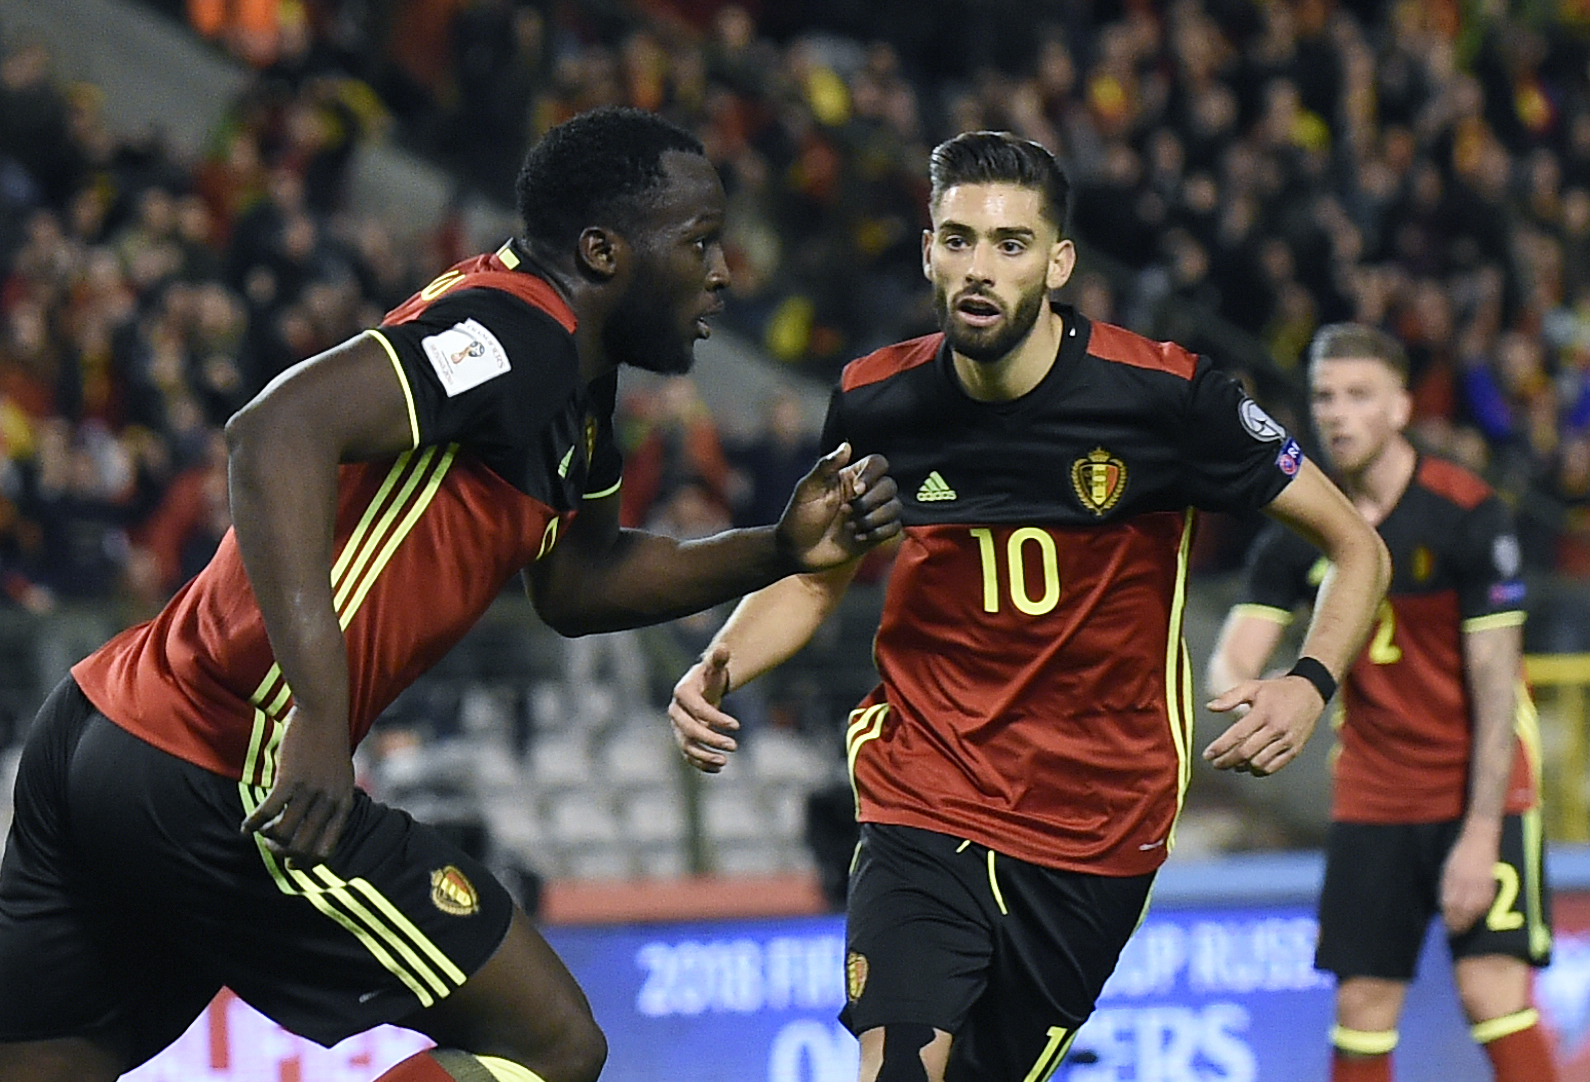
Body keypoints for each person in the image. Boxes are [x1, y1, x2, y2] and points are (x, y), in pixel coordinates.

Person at [0, 105, 903, 1082]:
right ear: (603, 251)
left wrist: (776, 545)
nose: (723, 271)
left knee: (51, 1057)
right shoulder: (516, 330)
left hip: (106, 733)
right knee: (553, 1040)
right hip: (222, 758)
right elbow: (277, 429)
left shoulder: (577, 391)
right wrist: (317, 706)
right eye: (698, 242)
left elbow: (579, 582)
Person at [668, 130, 1390, 1082]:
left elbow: (1356, 547)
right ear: (927, 249)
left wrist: (1307, 682)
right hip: (925, 786)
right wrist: (720, 663)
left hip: (1096, 824)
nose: (979, 267)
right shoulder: (877, 401)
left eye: (1010, 244)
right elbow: (815, 576)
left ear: (1058, 264)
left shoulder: (1167, 397)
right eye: (958, 238)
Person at [1206, 323, 1556, 1082]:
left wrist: (1480, 832)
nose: (1336, 414)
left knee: (1491, 990)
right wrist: (1250, 692)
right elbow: (1230, 657)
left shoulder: (1466, 513)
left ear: (1401, 408)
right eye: (1325, 397)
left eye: (1359, 396)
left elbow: (1498, 689)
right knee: (1362, 1003)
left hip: (1479, 788)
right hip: (1374, 795)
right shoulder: (1302, 530)